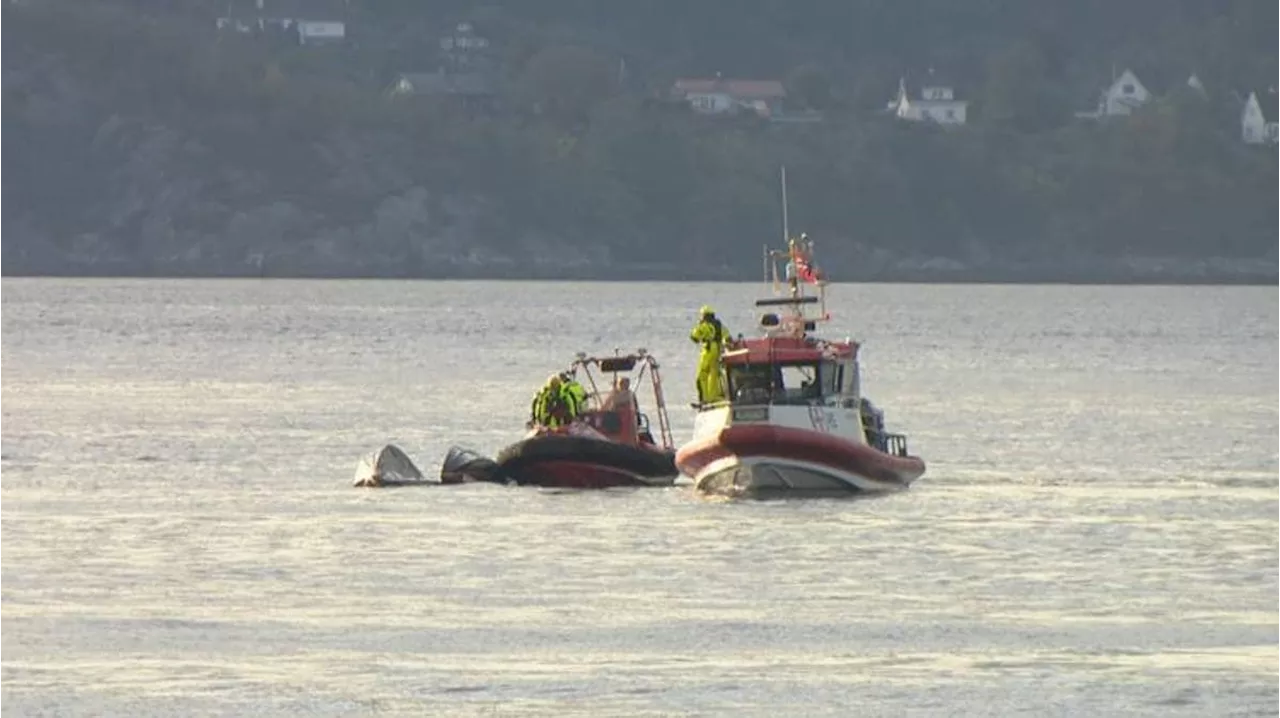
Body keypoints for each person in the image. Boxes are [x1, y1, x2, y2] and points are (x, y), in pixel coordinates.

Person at [689, 305, 731, 404]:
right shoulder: (719, 325)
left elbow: (694, 336)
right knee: (714, 375)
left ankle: (704, 399)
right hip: (718, 350)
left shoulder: (704, 326)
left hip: (708, 350)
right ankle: (714, 397)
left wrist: (699, 326)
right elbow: (728, 337)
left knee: (702, 376)